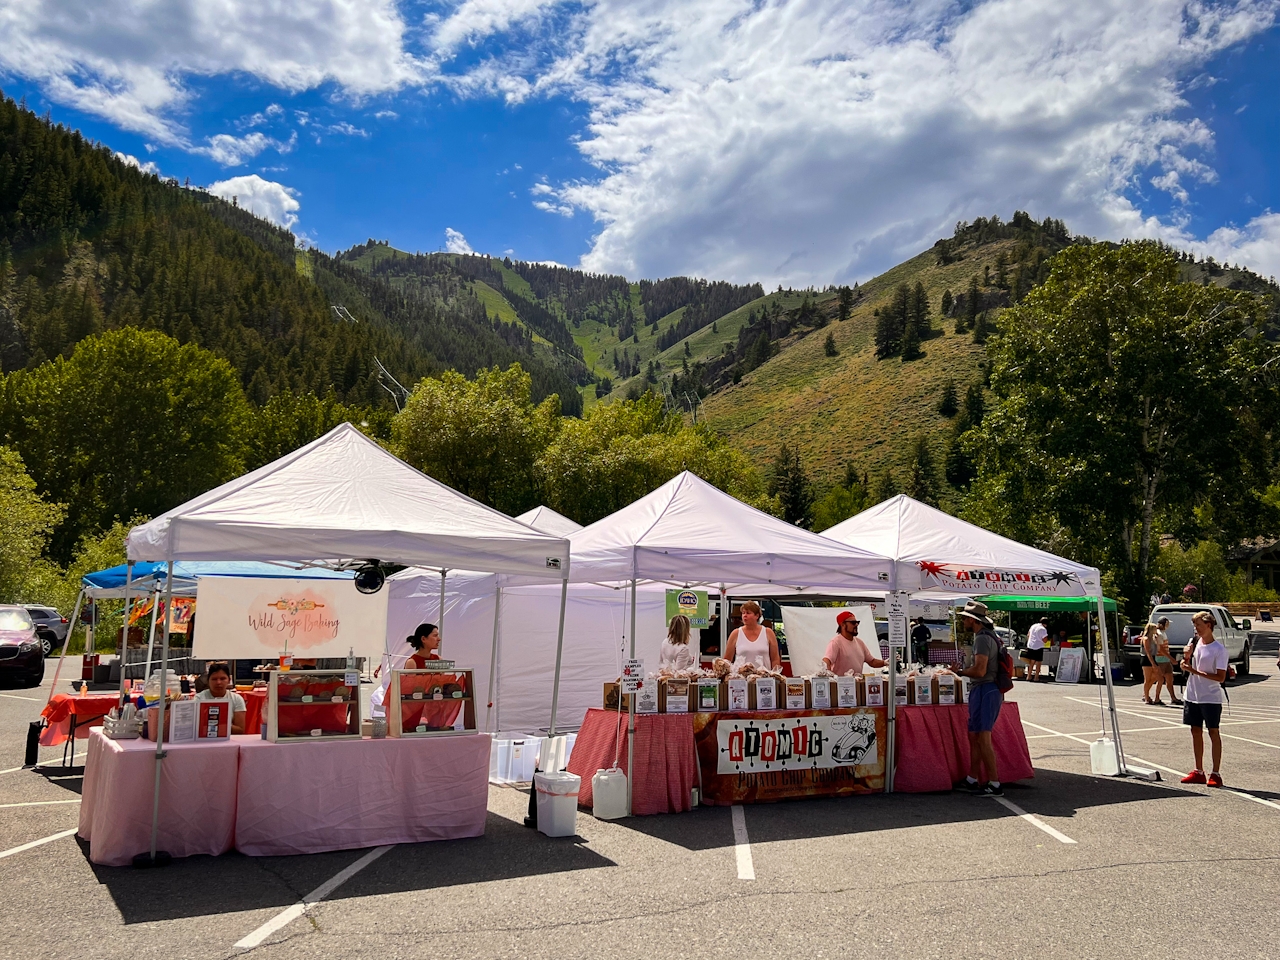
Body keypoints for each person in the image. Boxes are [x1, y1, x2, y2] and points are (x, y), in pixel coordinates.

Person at [952, 600, 1003, 796]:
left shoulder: (982, 639)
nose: (963, 620)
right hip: (985, 689)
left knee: (982, 737)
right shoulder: (988, 636)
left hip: (986, 689)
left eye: (965, 617)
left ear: (974, 620)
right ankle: (972, 778)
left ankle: (995, 783)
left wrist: (960, 672)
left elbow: (980, 670)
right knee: (975, 736)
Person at [1180, 610, 1228, 787]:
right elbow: (1184, 665)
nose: (1196, 629)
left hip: (1210, 697)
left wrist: (1193, 671)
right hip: (1192, 695)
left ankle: (1215, 773)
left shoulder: (1219, 650)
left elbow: (1220, 677)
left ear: (1208, 626)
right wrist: (1185, 657)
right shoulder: (1194, 643)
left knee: (1213, 732)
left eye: (1198, 625)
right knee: (1195, 731)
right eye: (1194, 625)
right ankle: (1198, 771)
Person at [823, 611, 886, 675]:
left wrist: (885, 662)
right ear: (843, 625)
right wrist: (826, 675)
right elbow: (827, 660)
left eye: (857, 622)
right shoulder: (835, 643)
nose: (856, 625)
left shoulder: (860, 643)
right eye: (853, 623)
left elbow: (872, 662)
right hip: (841, 684)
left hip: (857, 683)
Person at [724, 601, 780, 670]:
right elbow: (727, 660)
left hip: (763, 678)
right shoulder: (735, 633)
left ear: (757, 616)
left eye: (748, 613)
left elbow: (775, 659)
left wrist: (776, 675)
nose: (745, 615)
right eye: (743, 613)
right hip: (741, 679)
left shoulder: (768, 632)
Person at [196, 661, 247, 734]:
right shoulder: (199, 698)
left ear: (229, 680)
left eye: (222, 679)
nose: (218, 682)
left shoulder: (237, 699)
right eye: (214, 679)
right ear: (208, 681)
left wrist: (216, 723)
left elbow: (240, 730)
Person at [1152, 616, 1181, 706]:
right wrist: (1171, 658)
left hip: (1166, 659)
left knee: (1170, 679)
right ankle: (1156, 698)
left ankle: (1173, 698)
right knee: (1160, 680)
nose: (1168, 626)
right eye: (1167, 624)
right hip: (1160, 659)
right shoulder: (1159, 634)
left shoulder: (1163, 633)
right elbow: (1160, 649)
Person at [1140, 623, 1163, 705]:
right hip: (1146, 659)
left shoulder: (1153, 638)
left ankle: (1146, 693)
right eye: (1155, 629)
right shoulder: (1146, 639)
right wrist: (1153, 663)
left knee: (1157, 678)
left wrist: (1157, 640)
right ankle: (1146, 697)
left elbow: (1158, 649)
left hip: (1153, 657)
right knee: (1148, 678)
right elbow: (1148, 652)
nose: (1156, 630)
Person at [1023, 617, 1049, 682]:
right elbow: (1045, 640)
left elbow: (1028, 635)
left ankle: (1029, 676)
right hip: (1038, 646)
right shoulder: (1043, 629)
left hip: (1031, 645)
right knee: (1038, 662)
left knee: (1031, 662)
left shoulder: (1034, 625)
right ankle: (1036, 677)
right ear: (1046, 624)